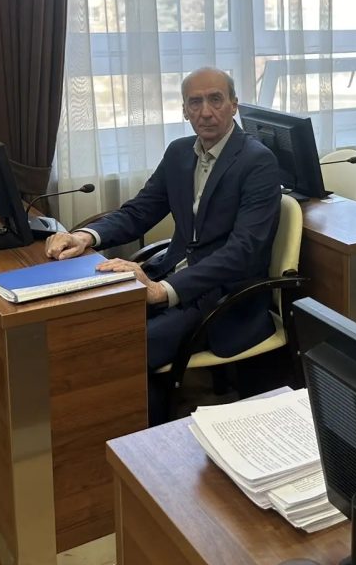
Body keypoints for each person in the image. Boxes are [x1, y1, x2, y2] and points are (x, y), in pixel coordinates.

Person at [44, 67, 281, 424]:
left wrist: (162, 291)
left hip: (222, 298)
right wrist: (85, 236)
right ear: (184, 110)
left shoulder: (257, 161)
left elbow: (243, 252)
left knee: (127, 348)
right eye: (195, 102)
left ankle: (146, 442)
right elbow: (139, 212)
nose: (205, 111)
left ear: (234, 105)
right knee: (95, 326)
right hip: (169, 277)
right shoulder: (179, 152)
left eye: (216, 99)